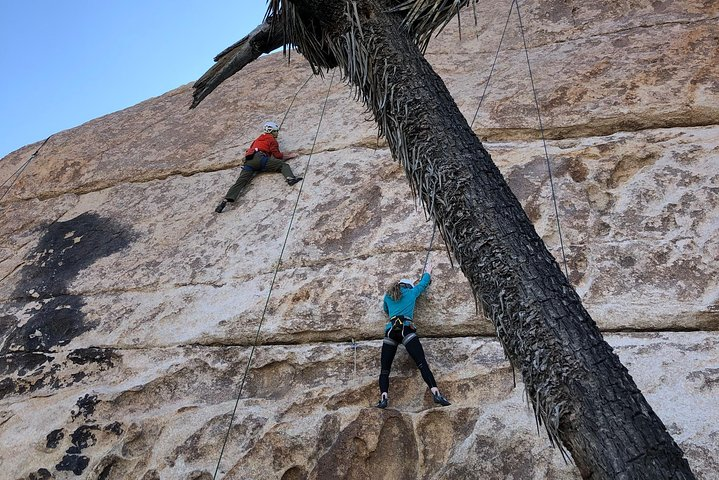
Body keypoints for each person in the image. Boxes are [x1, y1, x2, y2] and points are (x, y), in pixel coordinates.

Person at [376, 260, 451, 409]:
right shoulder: (411, 293)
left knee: (385, 369)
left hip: (391, 331)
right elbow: (423, 283)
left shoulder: (388, 297)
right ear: (408, 286)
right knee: (422, 363)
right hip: (406, 329)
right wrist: (428, 270)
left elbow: (386, 310)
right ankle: (436, 393)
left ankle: (384, 397)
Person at [215, 121, 303, 213]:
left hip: (249, 161)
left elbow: (251, 150)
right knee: (283, 165)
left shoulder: (256, 140)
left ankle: (225, 201)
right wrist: (290, 156)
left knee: (241, 181)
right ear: (272, 131)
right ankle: (290, 179)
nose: (277, 133)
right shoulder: (272, 140)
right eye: (276, 131)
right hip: (260, 159)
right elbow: (277, 156)